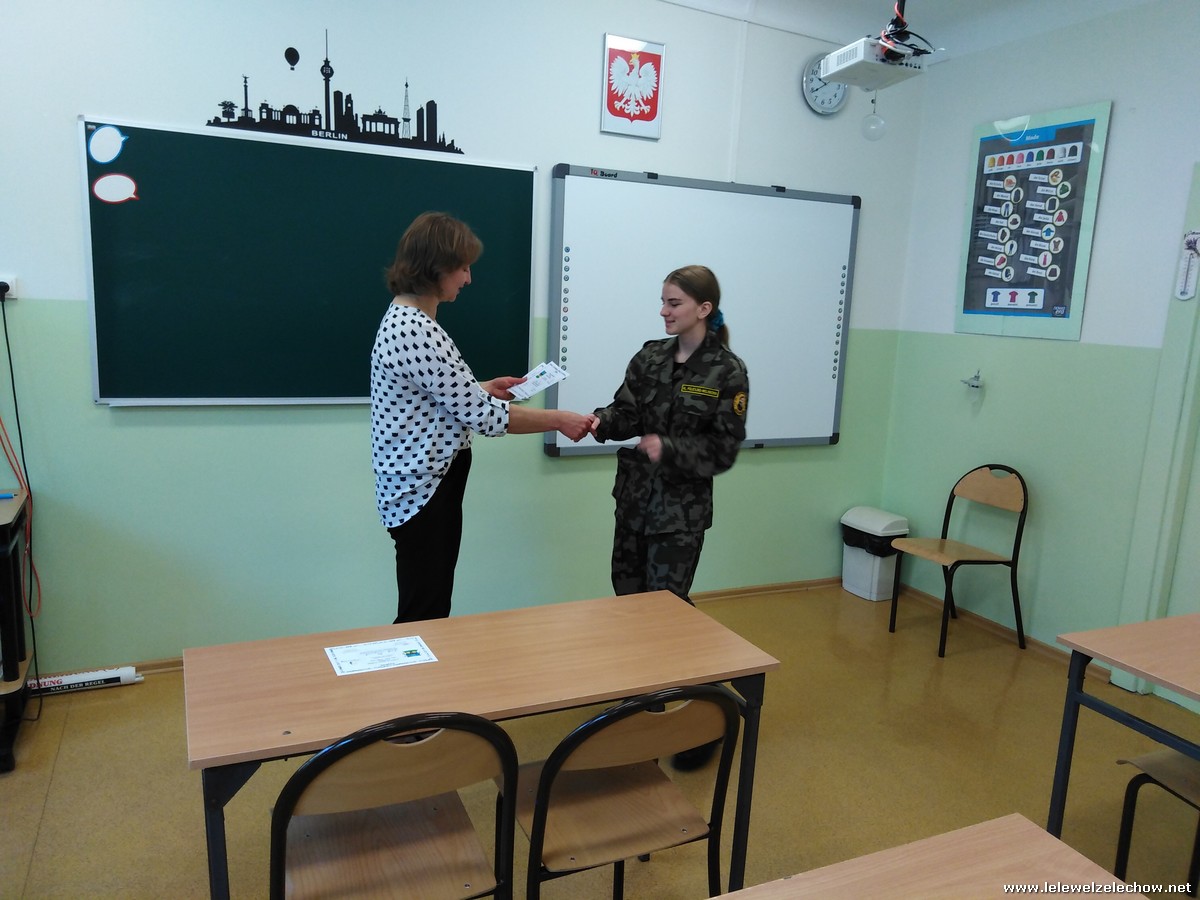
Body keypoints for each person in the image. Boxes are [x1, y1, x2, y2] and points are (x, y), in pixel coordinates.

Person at [371, 211, 592, 624]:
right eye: (462, 268)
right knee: (424, 611)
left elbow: (442, 395)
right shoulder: (414, 329)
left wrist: (482, 387)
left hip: (424, 485)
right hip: (422, 492)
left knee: (428, 603)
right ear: (436, 268)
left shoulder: (412, 321)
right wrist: (560, 419)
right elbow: (488, 419)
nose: (468, 279)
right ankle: (414, 668)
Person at [590, 264, 748, 769]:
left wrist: (671, 449)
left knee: (668, 616)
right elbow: (625, 413)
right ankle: (645, 706)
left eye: (674, 303)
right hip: (633, 504)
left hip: (679, 514)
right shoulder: (650, 356)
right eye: (662, 301)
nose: (663, 311)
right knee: (631, 606)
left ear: (703, 309)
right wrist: (594, 422)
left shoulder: (726, 371)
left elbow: (723, 450)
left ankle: (710, 714)